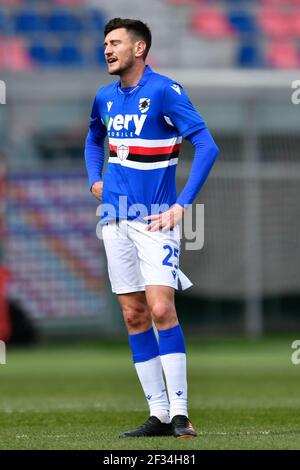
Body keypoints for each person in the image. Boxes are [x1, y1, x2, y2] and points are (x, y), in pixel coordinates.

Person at [85, 17, 219, 438]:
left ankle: (181, 413)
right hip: (114, 219)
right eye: (105, 43)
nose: (107, 49)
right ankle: (159, 415)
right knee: (133, 314)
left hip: (154, 219)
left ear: (139, 49)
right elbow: (93, 138)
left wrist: (182, 206)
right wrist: (94, 178)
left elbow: (207, 145)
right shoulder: (104, 96)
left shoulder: (164, 91)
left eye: (115, 43)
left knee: (161, 308)